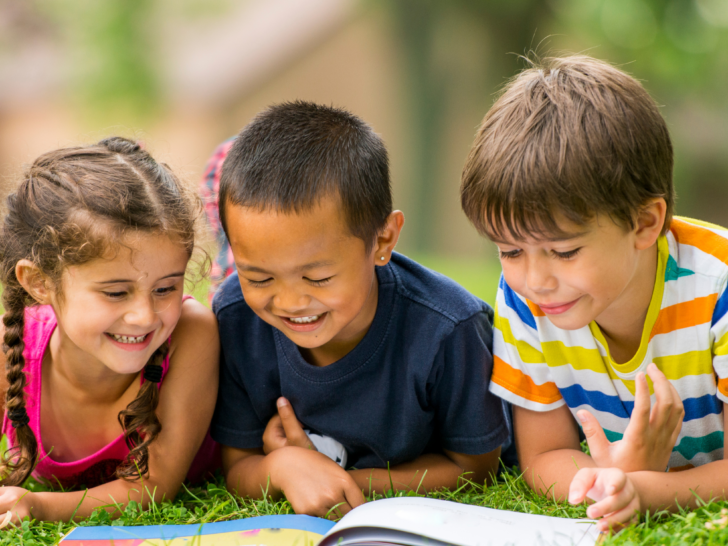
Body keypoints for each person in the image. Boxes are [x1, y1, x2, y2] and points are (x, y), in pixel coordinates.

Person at [460, 54, 728, 532]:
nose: (535, 280)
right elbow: (543, 455)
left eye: (563, 252)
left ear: (644, 223)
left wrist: (643, 490)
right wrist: (611, 483)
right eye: (510, 250)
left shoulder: (719, 287)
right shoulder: (526, 300)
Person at [211, 101, 508, 518]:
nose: (291, 302)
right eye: (259, 278)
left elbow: (475, 468)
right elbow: (238, 464)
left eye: (317, 278)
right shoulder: (235, 317)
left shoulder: (449, 328)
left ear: (383, 241)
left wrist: (337, 478)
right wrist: (281, 467)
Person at [0, 137, 220, 524]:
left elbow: (154, 484)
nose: (144, 316)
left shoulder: (192, 333)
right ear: (38, 282)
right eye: (116, 292)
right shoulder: (12, 349)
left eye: (165, 288)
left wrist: (39, 506)